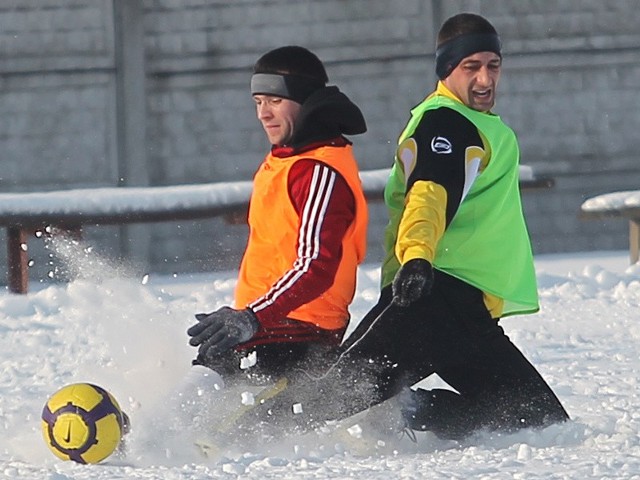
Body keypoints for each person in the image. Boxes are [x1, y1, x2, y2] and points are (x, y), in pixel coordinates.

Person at [236, 13, 569, 441]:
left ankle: (401, 411)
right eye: (471, 67)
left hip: (470, 313)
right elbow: (428, 195)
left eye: (493, 65)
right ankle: (225, 435)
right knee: (329, 396)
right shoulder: (446, 124)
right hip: (432, 295)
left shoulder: (478, 125)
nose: (485, 78)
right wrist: (416, 258)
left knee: (539, 421)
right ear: (447, 69)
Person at [187, 46, 368, 387]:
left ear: (306, 102)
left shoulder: (318, 170)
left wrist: (253, 318)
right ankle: (148, 435)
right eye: (258, 102)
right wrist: (249, 318)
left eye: (274, 100)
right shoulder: (286, 160)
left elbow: (316, 266)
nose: (263, 114)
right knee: (207, 376)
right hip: (266, 324)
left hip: (300, 333)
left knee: (216, 403)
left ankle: (148, 437)